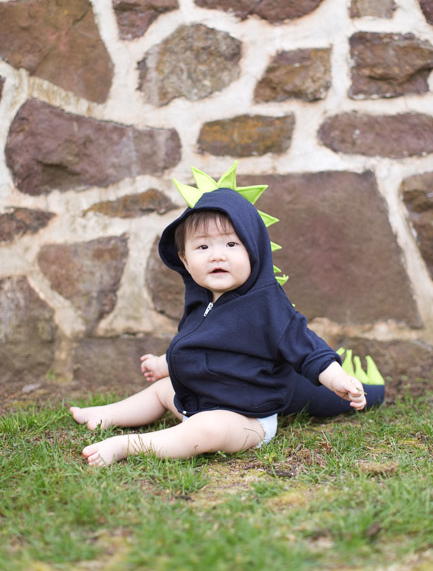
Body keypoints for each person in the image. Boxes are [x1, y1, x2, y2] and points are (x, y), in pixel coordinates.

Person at [70, 164, 385, 467]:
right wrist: (163, 363)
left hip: (247, 420)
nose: (217, 254)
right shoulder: (201, 299)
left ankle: (129, 446)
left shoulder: (266, 304)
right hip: (199, 401)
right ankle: (107, 415)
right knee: (163, 390)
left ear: (253, 251)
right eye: (203, 247)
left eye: (232, 243)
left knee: (207, 430)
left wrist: (338, 379)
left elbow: (306, 349)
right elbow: (196, 349)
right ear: (185, 259)